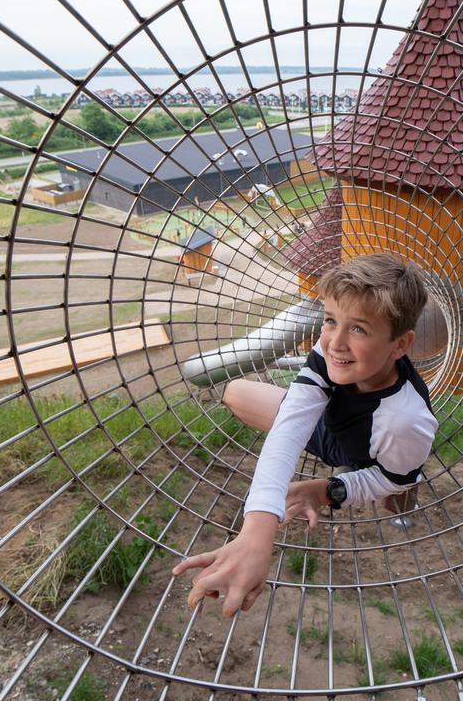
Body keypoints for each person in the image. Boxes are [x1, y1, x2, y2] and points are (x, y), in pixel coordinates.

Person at [173, 253, 437, 617]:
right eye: (331, 321)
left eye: (358, 328)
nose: (335, 342)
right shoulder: (332, 350)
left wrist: (329, 490)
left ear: (400, 345)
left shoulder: (405, 421)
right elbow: (288, 430)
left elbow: (390, 476)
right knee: (236, 392)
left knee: (399, 485)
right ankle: (345, 467)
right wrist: (257, 529)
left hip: (379, 454)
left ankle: (397, 504)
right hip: (332, 434)